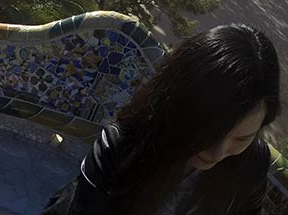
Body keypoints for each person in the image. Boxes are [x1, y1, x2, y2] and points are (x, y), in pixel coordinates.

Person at [42, 24, 281, 215]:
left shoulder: (252, 164)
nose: (218, 153)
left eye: (241, 138)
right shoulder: (121, 149)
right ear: (180, 107)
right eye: (210, 132)